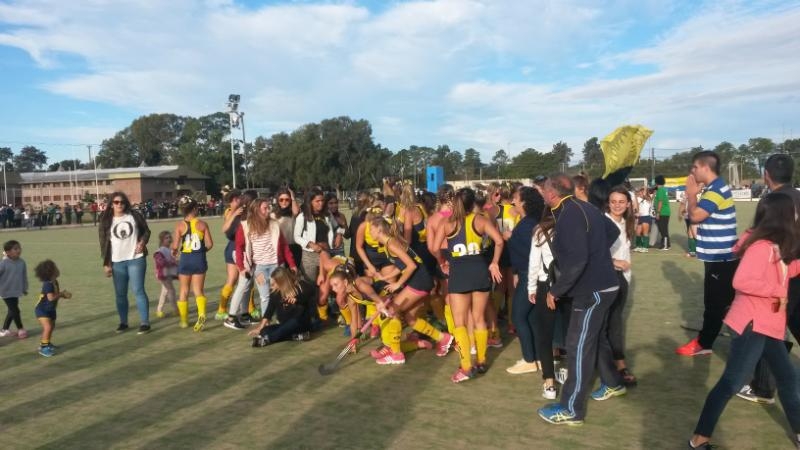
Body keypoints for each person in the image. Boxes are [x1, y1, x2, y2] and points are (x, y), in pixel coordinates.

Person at [688, 192, 800, 449]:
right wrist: (776, 290)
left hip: (767, 325)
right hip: (752, 325)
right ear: (782, 216)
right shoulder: (761, 248)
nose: (797, 216)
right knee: (731, 383)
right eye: (794, 212)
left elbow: (787, 269)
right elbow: (741, 281)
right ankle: (699, 439)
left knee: (787, 378)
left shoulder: (775, 246)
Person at [536, 174, 623, 426]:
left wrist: (555, 291)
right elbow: (612, 231)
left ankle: (571, 409)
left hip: (592, 291)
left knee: (577, 346)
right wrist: (597, 253)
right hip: (602, 286)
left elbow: (578, 260)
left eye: (543, 190)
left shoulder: (569, 214)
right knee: (594, 338)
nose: (541, 194)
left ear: (552, 194)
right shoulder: (584, 207)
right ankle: (613, 382)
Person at [737, 153, 800, 404]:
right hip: (795, 270)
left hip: (782, 274)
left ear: (766, 174)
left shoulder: (772, 203)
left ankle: (763, 388)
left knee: (769, 327)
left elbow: (761, 238)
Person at [431, 187, 504, 383]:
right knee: (479, 318)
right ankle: (481, 361)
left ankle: (465, 366)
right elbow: (499, 241)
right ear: (473, 203)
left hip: (459, 273)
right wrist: (494, 263)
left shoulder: (448, 223)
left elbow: (435, 248)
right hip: (479, 271)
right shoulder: (480, 220)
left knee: (460, 322)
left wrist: (442, 262)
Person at [676, 151, 739, 356]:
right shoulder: (714, 188)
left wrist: (691, 194)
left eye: (695, 167)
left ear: (705, 167)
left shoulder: (716, 189)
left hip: (721, 257)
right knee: (725, 303)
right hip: (719, 256)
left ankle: (704, 344)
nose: (692, 171)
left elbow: (695, 216)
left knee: (714, 304)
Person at [367, 216, 453, 365]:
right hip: (421, 280)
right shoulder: (389, 243)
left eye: (371, 229)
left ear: (379, 230)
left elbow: (411, 266)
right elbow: (402, 266)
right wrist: (386, 277)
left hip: (419, 281)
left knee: (392, 310)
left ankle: (396, 353)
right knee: (410, 318)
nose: (369, 232)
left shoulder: (391, 243)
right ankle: (443, 338)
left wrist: (397, 284)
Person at [229, 198, 297, 329]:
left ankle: (282, 320)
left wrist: (292, 264)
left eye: (268, 207)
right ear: (256, 210)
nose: (268, 210)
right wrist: (241, 267)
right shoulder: (245, 226)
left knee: (281, 294)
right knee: (265, 296)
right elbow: (239, 248)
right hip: (259, 268)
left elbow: (284, 246)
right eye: (265, 208)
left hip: (277, 266)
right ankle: (267, 324)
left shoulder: (274, 224)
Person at [98, 191, 152, 334]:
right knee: (120, 294)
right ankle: (123, 322)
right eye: (116, 202)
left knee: (138, 290)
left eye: (122, 202)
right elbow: (103, 243)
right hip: (117, 261)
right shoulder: (106, 220)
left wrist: (142, 242)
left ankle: (145, 323)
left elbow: (146, 231)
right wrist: (106, 263)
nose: (119, 204)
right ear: (111, 204)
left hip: (136, 258)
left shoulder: (134, 215)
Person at [506, 186, 544, 375]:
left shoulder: (529, 224)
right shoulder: (530, 221)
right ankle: (537, 357)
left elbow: (532, 253)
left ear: (524, 202)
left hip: (530, 276)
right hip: (526, 274)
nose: (513, 201)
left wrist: (510, 238)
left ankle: (530, 359)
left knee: (518, 316)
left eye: (515, 198)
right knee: (530, 317)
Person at [605, 187, 637, 386]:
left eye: (621, 201)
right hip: (606, 279)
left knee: (615, 322)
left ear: (628, 204)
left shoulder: (627, 223)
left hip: (622, 279)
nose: (617, 205)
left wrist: (625, 275)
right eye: (613, 201)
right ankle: (618, 365)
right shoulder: (603, 222)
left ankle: (616, 363)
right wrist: (614, 262)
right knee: (608, 323)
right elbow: (592, 252)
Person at [293, 187, 339, 322]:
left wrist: (339, 235)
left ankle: (324, 315)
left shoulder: (327, 215)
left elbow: (337, 227)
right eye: (317, 201)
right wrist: (310, 244)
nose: (321, 203)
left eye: (322, 201)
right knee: (310, 286)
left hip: (326, 254)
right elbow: (296, 236)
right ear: (310, 202)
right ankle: (312, 316)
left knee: (326, 285)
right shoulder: (303, 217)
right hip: (310, 256)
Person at [172, 196, 213, 331]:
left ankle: (184, 321)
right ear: (194, 209)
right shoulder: (202, 224)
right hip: (199, 259)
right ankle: (201, 316)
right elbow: (209, 244)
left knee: (183, 291)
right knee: (198, 290)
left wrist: (174, 252)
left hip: (185, 259)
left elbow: (175, 246)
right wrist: (201, 251)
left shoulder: (179, 226)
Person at [249, 267, 313, 346]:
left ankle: (268, 340)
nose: (272, 285)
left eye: (274, 283)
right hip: (284, 325)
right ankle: (295, 337)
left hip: (300, 324)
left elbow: (310, 293)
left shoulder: (300, 286)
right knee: (264, 331)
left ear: (281, 282)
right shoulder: (274, 293)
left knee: (293, 322)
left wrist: (297, 299)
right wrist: (260, 328)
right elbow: (269, 311)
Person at [33, 259, 72, 357]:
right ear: (51, 272)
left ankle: (47, 343)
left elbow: (55, 295)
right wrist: (61, 294)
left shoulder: (55, 282)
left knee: (52, 326)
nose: (58, 269)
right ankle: (43, 348)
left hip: (51, 309)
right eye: (55, 268)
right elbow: (51, 298)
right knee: (48, 327)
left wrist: (63, 295)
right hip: (42, 310)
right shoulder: (48, 284)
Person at [0, 240, 28, 339]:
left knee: (12, 310)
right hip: (5, 291)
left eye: (19, 248)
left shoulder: (22, 262)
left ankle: (4, 330)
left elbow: (24, 276)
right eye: (15, 249)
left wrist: (24, 288)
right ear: (8, 252)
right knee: (15, 310)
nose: (18, 250)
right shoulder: (3, 263)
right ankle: (20, 328)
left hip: (16, 291)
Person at [153, 231, 178, 318]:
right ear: (162, 240)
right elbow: (160, 262)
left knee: (165, 291)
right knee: (171, 291)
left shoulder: (169, 250)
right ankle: (175, 310)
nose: (169, 239)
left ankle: (159, 310)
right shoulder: (160, 251)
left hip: (168, 273)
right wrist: (173, 262)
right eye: (166, 238)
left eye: (170, 237)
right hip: (163, 274)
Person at [326, 193, 349, 258]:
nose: (334, 205)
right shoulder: (323, 217)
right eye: (331, 203)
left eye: (336, 203)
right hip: (326, 250)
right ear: (326, 204)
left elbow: (347, 236)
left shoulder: (341, 216)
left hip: (339, 250)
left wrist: (343, 224)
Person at [653, 175, 671, 250]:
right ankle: (665, 244)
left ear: (656, 182)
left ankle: (665, 245)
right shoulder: (662, 189)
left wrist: (658, 212)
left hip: (663, 212)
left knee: (663, 229)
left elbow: (660, 202)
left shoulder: (660, 190)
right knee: (663, 229)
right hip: (664, 212)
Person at [634, 187, 652, 252]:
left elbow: (646, 198)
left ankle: (645, 247)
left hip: (646, 217)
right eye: (640, 191)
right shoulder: (638, 199)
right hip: (640, 217)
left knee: (645, 232)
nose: (640, 193)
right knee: (638, 232)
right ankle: (639, 246)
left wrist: (644, 193)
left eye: (642, 191)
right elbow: (635, 203)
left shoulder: (648, 199)